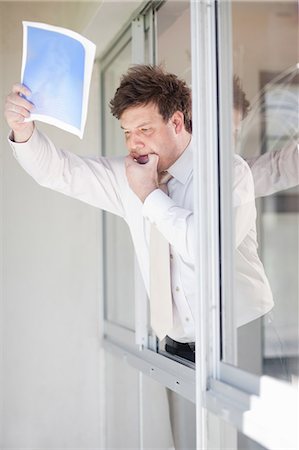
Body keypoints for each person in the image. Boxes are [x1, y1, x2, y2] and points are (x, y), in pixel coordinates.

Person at [4, 65, 276, 362]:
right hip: (176, 348)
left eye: (145, 130)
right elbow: (59, 172)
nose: (134, 143)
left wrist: (149, 194)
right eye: (127, 132)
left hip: (240, 334)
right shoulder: (129, 174)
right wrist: (22, 129)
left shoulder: (226, 171)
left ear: (176, 122)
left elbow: (206, 249)